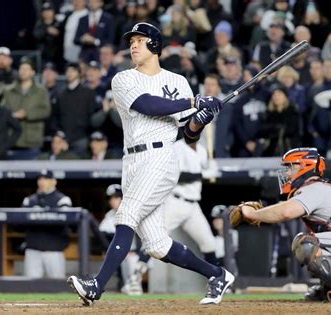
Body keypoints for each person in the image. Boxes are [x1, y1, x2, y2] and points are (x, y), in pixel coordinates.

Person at [67, 22, 233, 306]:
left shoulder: (178, 81)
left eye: (140, 40)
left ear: (154, 44)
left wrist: (201, 119)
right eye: (131, 41)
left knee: (126, 214)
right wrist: (195, 100)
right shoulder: (123, 79)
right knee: (157, 245)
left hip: (161, 158)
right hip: (132, 160)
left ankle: (97, 286)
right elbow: (149, 105)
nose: (133, 45)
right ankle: (218, 274)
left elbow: (188, 133)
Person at [230, 147, 331, 303]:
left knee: (306, 243)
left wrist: (252, 214)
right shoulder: (321, 187)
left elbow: (286, 212)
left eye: (290, 167)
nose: (286, 172)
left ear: (305, 166)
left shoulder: (315, 188)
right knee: (317, 243)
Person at [121, 138, 219, 295]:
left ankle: (217, 280)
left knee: (209, 243)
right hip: (175, 201)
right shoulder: (177, 147)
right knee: (154, 240)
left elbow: (201, 174)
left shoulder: (202, 150)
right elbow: (178, 176)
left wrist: (211, 167)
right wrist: (204, 173)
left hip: (193, 206)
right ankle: (134, 280)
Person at [21, 170, 72, 279]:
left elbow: (64, 222)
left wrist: (38, 216)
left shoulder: (63, 199)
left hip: (54, 250)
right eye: (40, 179)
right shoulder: (29, 200)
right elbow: (20, 223)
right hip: (33, 249)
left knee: (58, 287)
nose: (42, 182)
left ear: (54, 182)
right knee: (31, 287)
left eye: (46, 179)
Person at [2, 57, 51, 160]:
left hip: (32, 140)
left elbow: (45, 111)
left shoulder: (41, 91)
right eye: (21, 69)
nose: (23, 72)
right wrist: (11, 116)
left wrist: (27, 114)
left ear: (33, 72)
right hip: (12, 139)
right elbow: (2, 111)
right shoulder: (8, 90)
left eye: (26, 69)